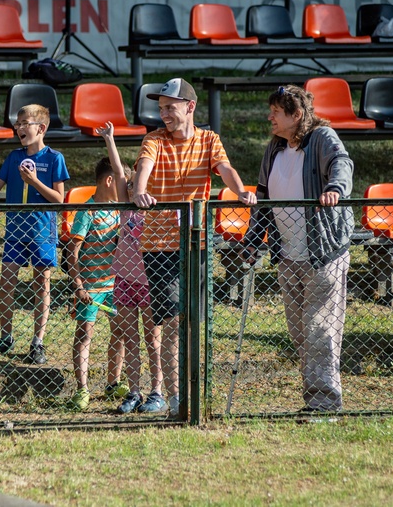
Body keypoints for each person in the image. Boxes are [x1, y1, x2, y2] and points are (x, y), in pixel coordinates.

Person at [132, 78, 256, 416]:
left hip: (195, 242)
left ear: (189, 107)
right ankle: (176, 399)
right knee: (172, 322)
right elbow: (144, 165)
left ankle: (195, 392)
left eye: (169, 107)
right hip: (159, 245)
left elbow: (224, 168)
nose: (164, 114)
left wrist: (240, 190)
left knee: (194, 322)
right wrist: (139, 191)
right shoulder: (154, 139)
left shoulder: (209, 139)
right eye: (160, 109)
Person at [242, 85, 354, 413]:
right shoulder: (274, 147)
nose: (270, 117)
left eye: (276, 111)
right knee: (300, 332)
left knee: (320, 330)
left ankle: (323, 405)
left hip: (323, 254)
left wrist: (334, 188)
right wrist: (253, 241)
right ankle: (319, 388)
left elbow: (341, 163)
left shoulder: (322, 137)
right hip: (288, 256)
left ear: (297, 115)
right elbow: (262, 196)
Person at [0, 104, 70, 365]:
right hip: (15, 231)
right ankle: (6, 336)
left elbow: (59, 200)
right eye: (17, 123)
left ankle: (37, 341)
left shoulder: (54, 158)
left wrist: (34, 182)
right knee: (7, 283)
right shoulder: (15, 157)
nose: (19, 128)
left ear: (41, 128)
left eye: (24, 123)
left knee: (42, 285)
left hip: (42, 232)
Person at [96, 122, 162, 414]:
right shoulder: (126, 206)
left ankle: (157, 391)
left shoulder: (157, 208)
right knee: (130, 338)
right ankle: (133, 391)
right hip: (123, 279)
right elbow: (119, 172)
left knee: (153, 339)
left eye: (139, 185)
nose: (134, 189)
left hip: (149, 282)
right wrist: (110, 139)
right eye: (132, 185)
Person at [65, 157, 125, 411]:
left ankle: (114, 382)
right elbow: (72, 252)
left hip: (114, 285)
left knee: (121, 333)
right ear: (109, 180)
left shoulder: (118, 210)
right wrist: (78, 285)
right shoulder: (86, 211)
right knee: (84, 334)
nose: (125, 187)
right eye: (121, 182)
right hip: (89, 287)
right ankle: (82, 389)